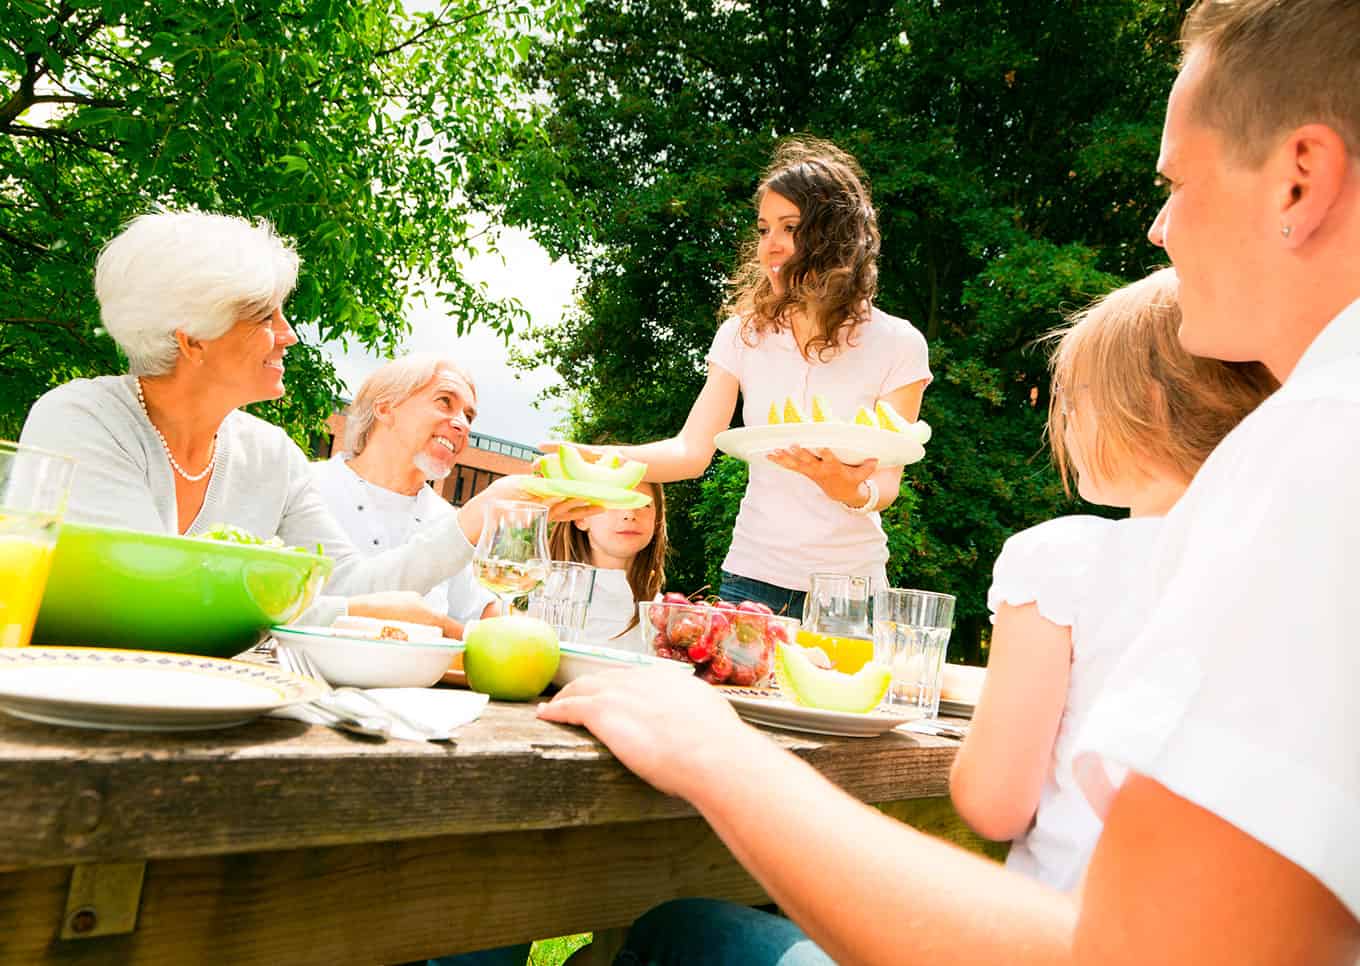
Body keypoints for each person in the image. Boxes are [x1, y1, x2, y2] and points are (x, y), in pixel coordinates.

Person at [537, 1, 1360, 961]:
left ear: (1298, 182)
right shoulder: (1305, 449)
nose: (1158, 226)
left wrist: (715, 752)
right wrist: (582, 464)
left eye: (1175, 181)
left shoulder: (1319, 448)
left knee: (675, 933)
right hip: (762, 570)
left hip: (845, 590)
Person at [19, 209, 595, 630]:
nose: (289, 334)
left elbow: (345, 581)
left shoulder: (271, 454)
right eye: (265, 316)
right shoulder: (83, 419)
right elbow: (143, 597)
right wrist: (346, 611)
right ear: (193, 336)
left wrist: (478, 519)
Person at [950, 268, 1277, 891]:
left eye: (1074, 401)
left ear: (1147, 406)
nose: (1064, 425)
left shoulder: (1059, 561)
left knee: (708, 928)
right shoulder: (1285, 566)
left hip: (1062, 934)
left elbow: (992, 805)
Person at [547, 138, 931, 616]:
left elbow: (886, 483)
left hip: (849, 591)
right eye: (765, 228)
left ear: (834, 238)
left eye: (790, 228)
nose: (770, 244)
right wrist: (598, 459)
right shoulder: (742, 335)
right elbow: (690, 452)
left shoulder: (900, 344)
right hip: (752, 579)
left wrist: (845, 488)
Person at [311, 354, 499, 636]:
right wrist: (441, 627)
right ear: (386, 408)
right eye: (445, 401)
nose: (462, 424)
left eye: (468, 416)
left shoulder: (450, 520)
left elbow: (486, 616)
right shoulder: (306, 487)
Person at [548, 482, 667, 648]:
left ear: (657, 520)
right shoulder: (548, 593)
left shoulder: (664, 614)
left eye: (644, 504)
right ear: (581, 517)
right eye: (614, 501)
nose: (629, 514)